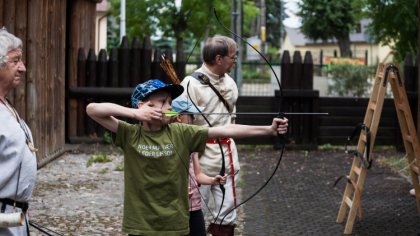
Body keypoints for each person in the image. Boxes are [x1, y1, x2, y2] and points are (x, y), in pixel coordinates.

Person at [86, 79, 288, 235]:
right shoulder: (130, 134)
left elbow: (226, 129)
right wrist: (135, 114)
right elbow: (92, 110)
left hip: (176, 222)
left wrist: (268, 130)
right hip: (140, 223)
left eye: (170, 102)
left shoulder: (182, 132)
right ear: (144, 106)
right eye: (163, 102)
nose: (170, 107)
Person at [180, 35, 241, 235]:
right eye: (233, 56)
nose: (235, 60)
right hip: (201, 157)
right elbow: (184, 129)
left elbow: (231, 121)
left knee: (228, 215)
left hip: (228, 155)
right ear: (218, 58)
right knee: (196, 211)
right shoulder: (189, 84)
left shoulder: (231, 83)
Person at [171, 96, 227, 236]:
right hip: (174, 207)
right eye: (191, 116)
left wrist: (213, 180)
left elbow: (197, 175)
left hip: (194, 206)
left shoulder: (191, 143)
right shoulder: (166, 144)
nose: (194, 120)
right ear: (179, 117)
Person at [0, 27, 37, 235]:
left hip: (13, 215)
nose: (22, 68)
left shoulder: (7, 106)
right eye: (16, 61)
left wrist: (19, 214)